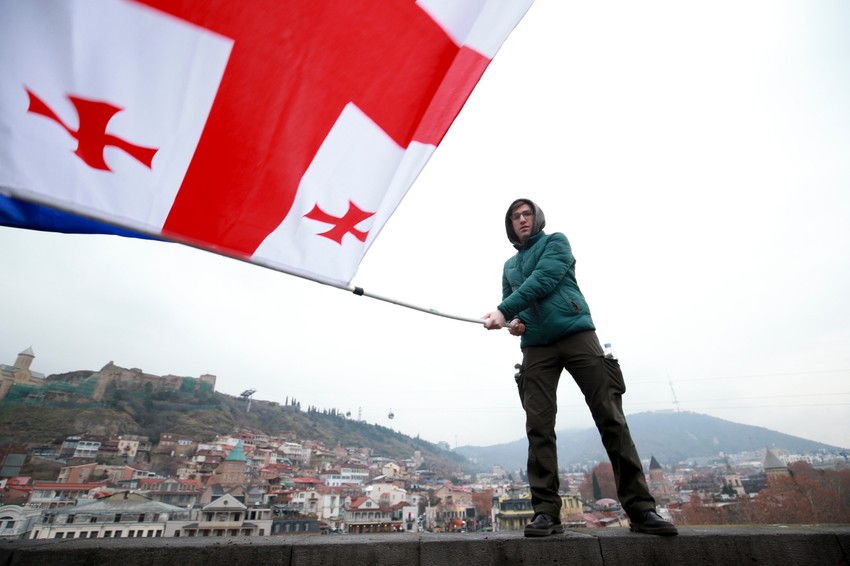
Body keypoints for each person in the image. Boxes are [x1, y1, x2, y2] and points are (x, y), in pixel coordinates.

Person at [482, 198, 678, 537]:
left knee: (610, 417)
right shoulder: (509, 266)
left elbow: (544, 279)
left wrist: (504, 309)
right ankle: (546, 514)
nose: (522, 219)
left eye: (527, 213)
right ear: (509, 225)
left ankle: (641, 508)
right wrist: (513, 322)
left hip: (576, 334)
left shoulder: (556, 242)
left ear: (537, 217)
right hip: (536, 348)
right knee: (538, 427)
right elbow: (515, 309)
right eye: (515, 216)